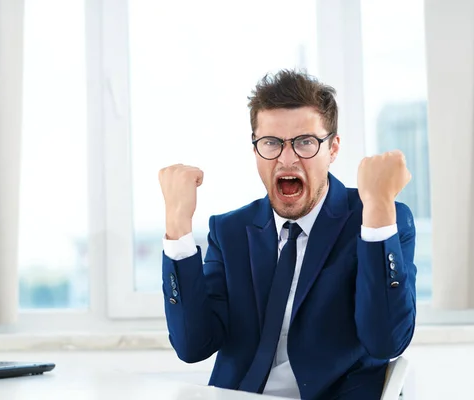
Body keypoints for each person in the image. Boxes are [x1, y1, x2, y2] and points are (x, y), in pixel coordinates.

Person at [157, 70, 416, 400]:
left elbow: (386, 341)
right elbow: (193, 346)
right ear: (255, 150)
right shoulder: (230, 231)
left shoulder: (376, 220)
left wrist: (379, 209)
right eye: (271, 143)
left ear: (333, 149)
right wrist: (177, 227)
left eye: (306, 142)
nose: (287, 157)